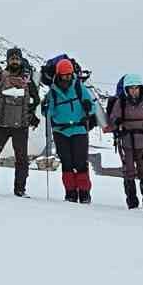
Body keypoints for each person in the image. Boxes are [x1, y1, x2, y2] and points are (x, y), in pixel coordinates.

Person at [0, 47, 40, 196]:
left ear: (20, 60)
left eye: (16, 58)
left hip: (10, 124)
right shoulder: (6, 77)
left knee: (15, 158)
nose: (14, 61)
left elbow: (35, 99)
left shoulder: (12, 77)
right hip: (8, 124)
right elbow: (35, 100)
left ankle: (17, 188)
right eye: (12, 58)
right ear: (7, 60)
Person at [43, 58, 97, 203]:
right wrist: (45, 107)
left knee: (80, 163)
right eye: (64, 75)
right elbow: (48, 113)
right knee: (66, 163)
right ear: (58, 75)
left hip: (79, 129)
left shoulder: (79, 87)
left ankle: (84, 193)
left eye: (69, 75)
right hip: (60, 131)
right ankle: (70, 193)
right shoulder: (53, 92)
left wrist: (88, 106)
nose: (67, 78)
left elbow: (93, 107)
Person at [107, 74, 143, 210]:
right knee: (129, 172)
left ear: (140, 88)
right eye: (131, 88)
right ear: (126, 89)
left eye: (136, 88)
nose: (134, 91)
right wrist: (116, 122)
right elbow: (113, 120)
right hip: (127, 142)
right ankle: (132, 203)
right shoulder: (121, 102)